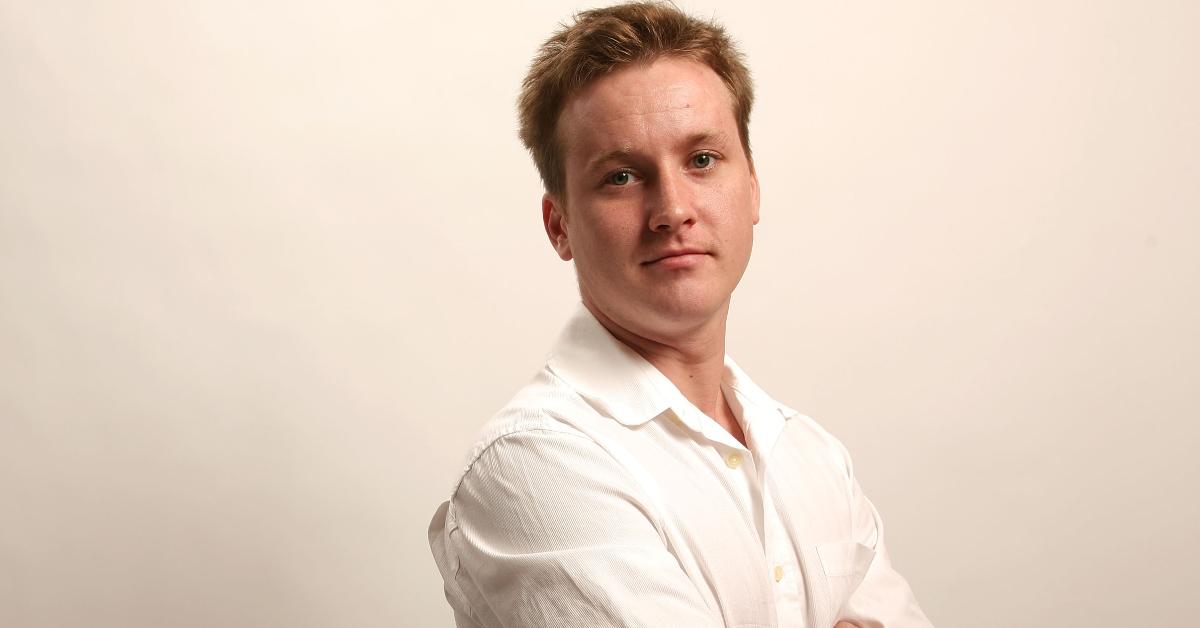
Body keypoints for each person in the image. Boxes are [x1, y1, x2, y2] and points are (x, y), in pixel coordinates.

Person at [428, 3, 933, 626]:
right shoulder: (534, 465)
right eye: (620, 176)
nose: (672, 209)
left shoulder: (811, 454)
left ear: (752, 186)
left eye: (701, 160)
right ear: (559, 226)